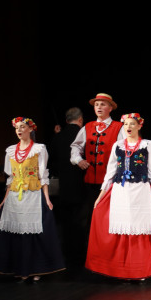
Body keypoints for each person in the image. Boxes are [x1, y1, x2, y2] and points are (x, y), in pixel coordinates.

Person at [85, 113, 151, 280]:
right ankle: (120, 270)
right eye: (126, 124)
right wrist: (100, 196)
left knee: (139, 231)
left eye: (132, 124)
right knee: (121, 229)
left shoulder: (148, 145)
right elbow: (110, 173)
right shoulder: (117, 145)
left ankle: (140, 270)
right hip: (120, 192)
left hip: (140, 192)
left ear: (139, 126)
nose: (128, 127)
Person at [0, 117, 66, 281]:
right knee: (16, 231)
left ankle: (35, 269)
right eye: (17, 128)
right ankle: (20, 269)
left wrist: (47, 198)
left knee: (34, 232)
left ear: (30, 129)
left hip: (33, 193)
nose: (19, 130)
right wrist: (4, 198)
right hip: (15, 195)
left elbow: (43, 175)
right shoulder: (10, 150)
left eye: (22, 127)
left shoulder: (39, 148)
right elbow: (10, 177)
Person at [70, 93, 124, 218]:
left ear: (110, 108)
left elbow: (124, 149)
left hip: (111, 180)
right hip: (90, 181)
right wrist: (78, 160)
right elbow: (75, 146)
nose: (99, 107)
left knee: (109, 214)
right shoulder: (87, 127)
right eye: (96, 104)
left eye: (102, 104)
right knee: (91, 213)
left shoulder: (119, 127)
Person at [48, 106, 86, 265]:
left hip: (63, 187)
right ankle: (82, 254)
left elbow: (51, 161)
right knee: (82, 222)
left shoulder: (58, 136)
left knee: (66, 223)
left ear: (66, 121)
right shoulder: (83, 135)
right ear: (80, 120)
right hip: (82, 185)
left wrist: (57, 135)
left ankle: (67, 255)